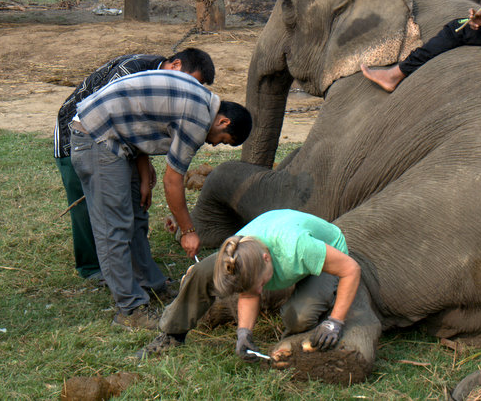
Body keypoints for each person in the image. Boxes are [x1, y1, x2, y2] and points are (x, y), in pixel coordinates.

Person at [69, 70, 252, 330]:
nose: (214, 145)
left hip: (119, 139)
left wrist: (143, 175)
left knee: (136, 215)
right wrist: (188, 230)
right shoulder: (198, 119)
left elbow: (139, 117)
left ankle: (149, 284)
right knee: (115, 227)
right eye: (222, 141)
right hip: (97, 136)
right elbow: (173, 181)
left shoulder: (201, 97)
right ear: (223, 122)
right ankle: (129, 310)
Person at [54, 48, 215, 283]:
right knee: (88, 203)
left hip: (116, 142)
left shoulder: (162, 80)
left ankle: (131, 269)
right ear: (176, 65)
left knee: (125, 203)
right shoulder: (130, 70)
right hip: (77, 136)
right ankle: (92, 268)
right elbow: (113, 118)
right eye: (192, 82)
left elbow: (135, 126)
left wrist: (143, 168)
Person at [135, 209, 361, 360]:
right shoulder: (237, 250)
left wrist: (335, 322)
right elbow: (250, 293)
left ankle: (313, 326)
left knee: (299, 317)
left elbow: (351, 269)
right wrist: (244, 333)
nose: (261, 291)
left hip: (326, 251)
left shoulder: (299, 248)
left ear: (266, 259)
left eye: (262, 284)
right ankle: (172, 334)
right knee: (204, 270)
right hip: (277, 240)